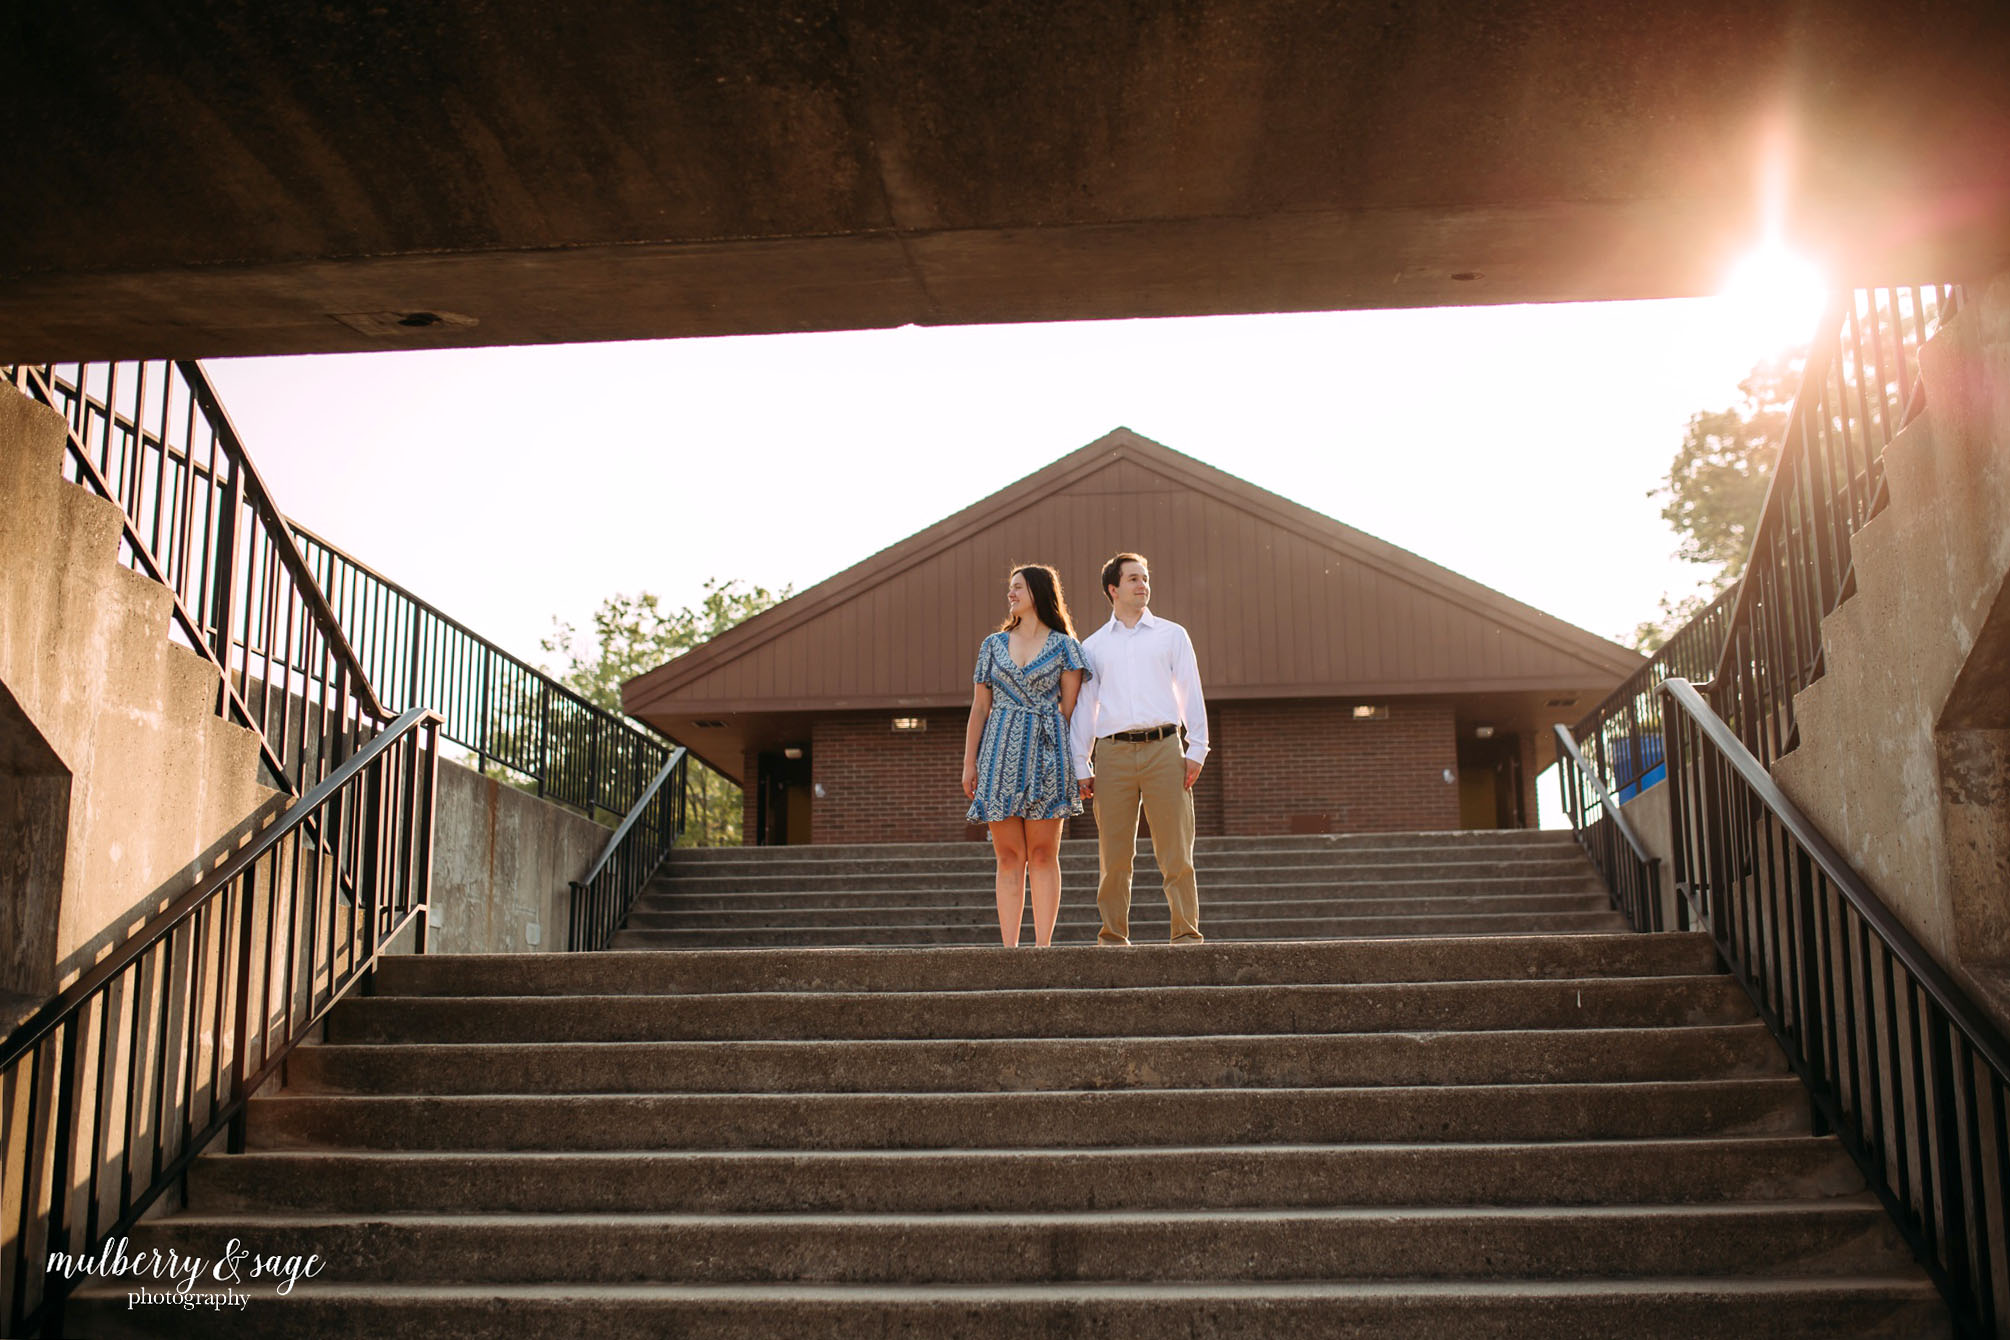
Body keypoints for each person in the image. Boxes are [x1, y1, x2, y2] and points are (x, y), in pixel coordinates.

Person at [1070, 552, 1209, 945]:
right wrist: (1081, 761)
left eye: (1145, 578)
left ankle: (1186, 934)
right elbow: (1085, 706)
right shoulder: (1093, 646)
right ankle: (1112, 937)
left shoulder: (1172, 635)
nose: (1142, 585)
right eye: (1133, 579)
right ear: (1113, 589)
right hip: (1112, 755)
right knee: (1114, 857)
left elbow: (1190, 691)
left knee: (1177, 852)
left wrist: (1197, 747)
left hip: (1165, 749)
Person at [961, 564, 1092, 946]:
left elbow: (1070, 711)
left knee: (1042, 854)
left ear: (1037, 591)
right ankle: (1010, 949)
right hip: (997, 756)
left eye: (1017, 587)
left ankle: (1042, 949)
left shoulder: (1067, 647)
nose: (1011, 594)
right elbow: (979, 709)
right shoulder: (992, 645)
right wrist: (970, 762)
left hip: (1048, 757)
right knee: (1008, 855)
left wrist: (1067, 758)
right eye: (1010, 588)